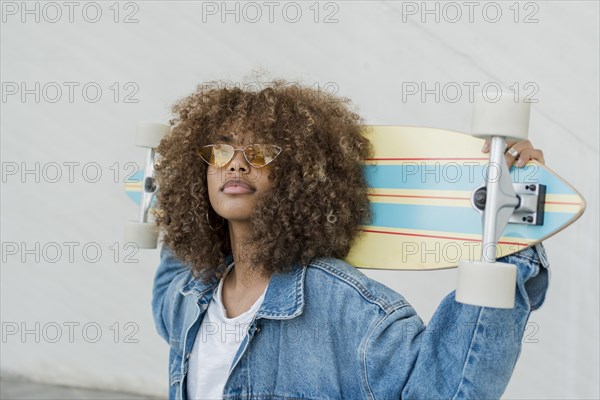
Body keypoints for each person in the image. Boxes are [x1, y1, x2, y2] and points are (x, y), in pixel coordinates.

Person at [151, 80, 549, 400]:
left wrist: (510, 243)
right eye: (220, 151)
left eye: (259, 153)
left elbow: (441, 388)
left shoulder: (338, 302)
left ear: (299, 176)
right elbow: (164, 293)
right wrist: (171, 203)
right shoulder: (190, 292)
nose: (236, 163)